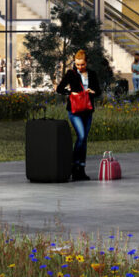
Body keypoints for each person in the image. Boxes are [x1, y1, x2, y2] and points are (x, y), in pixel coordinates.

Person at [62, 51, 95, 182]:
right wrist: (70, 91)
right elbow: (60, 88)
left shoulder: (92, 74)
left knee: (84, 139)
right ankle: (74, 165)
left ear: (86, 63)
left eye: (82, 65)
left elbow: (98, 90)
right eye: (77, 64)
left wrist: (92, 91)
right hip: (75, 110)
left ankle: (81, 169)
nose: (79, 67)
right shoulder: (71, 74)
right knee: (81, 136)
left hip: (87, 109)